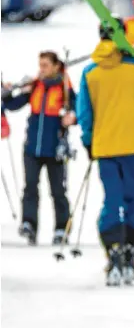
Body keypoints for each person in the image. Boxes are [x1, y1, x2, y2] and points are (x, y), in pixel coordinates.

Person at [77, 18, 134, 287]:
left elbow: (85, 112)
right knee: (132, 199)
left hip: (105, 146)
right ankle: (128, 249)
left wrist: (88, 140)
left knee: (111, 199)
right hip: (132, 144)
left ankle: (113, 249)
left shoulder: (90, 71)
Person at [2, 51, 76, 245]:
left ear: (56, 66)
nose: (41, 69)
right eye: (40, 65)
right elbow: (12, 105)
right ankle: (29, 223)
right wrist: (7, 92)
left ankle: (62, 227)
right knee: (30, 188)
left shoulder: (64, 88)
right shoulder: (35, 86)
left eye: (45, 65)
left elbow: (77, 109)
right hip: (32, 147)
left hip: (55, 149)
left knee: (58, 191)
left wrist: (72, 117)